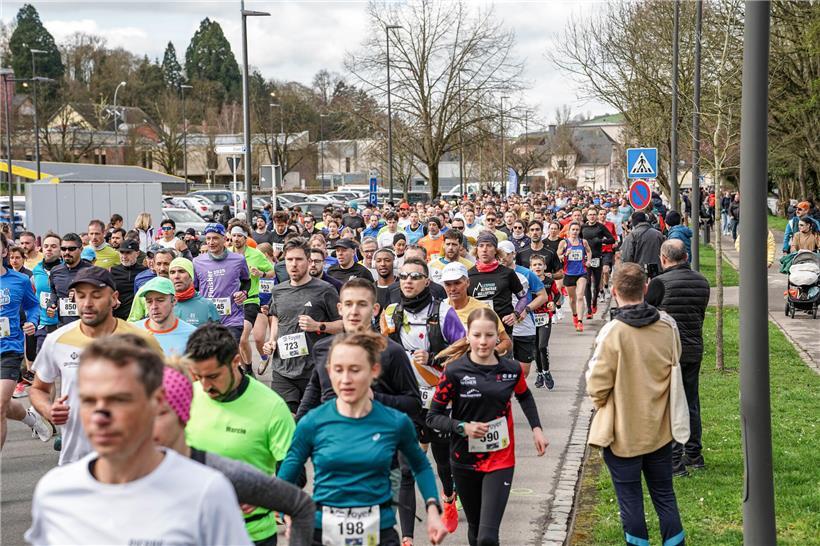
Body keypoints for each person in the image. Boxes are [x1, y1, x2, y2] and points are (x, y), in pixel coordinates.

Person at [26, 334, 252, 546]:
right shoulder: (54, 492)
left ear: (157, 402)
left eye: (119, 399)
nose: (100, 415)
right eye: (88, 400)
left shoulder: (207, 493)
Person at [278, 331, 448, 546]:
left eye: (355, 370)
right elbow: (288, 471)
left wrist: (432, 509)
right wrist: (286, 511)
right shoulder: (313, 423)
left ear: (373, 371)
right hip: (322, 534)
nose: (346, 379)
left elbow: (421, 466)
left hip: (379, 533)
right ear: (329, 372)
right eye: (338, 370)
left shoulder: (395, 422)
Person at [153, 358, 316, 546]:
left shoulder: (222, 473)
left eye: (161, 413)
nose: (149, 423)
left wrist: (262, 498)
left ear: (183, 417)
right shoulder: (126, 468)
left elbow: (300, 505)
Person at [428, 307, 548, 546]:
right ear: (468, 336)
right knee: (475, 530)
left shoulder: (511, 370)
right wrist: (463, 427)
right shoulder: (454, 372)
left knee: (487, 536)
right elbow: (433, 417)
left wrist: (536, 428)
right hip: (464, 459)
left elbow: (524, 396)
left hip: (500, 459)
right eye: (477, 335)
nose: (483, 341)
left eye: (489, 335)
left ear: (498, 337)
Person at [586, 262, 686, 546]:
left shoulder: (613, 332)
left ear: (614, 291)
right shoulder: (667, 326)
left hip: (623, 432)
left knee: (630, 500)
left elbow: (597, 385)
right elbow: (676, 359)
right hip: (659, 427)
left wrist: (603, 402)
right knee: (665, 495)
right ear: (645, 287)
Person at [30, 267, 163, 465]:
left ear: (114, 298)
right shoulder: (57, 340)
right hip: (75, 457)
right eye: (81, 296)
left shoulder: (140, 340)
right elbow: (38, 389)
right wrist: (49, 410)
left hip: (132, 457)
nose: (87, 303)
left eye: (96, 295)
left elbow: (167, 392)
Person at [185, 323, 296, 545]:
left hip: (251, 534)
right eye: (198, 376)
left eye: (213, 376)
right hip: (192, 531)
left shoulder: (271, 407)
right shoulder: (187, 396)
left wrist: (265, 493)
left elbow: (293, 469)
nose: (205, 386)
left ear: (236, 361)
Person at [646, 240, 710, 477]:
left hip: (668, 350)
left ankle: (674, 460)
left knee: (670, 403)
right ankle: (694, 453)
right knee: (691, 401)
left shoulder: (660, 282)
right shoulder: (702, 281)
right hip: (693, 347)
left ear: (664, 258)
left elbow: (648, 310)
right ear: (686, 256)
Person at [263, 239, 343, 413]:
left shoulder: (325, 289)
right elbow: (276, 316)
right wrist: (271, 340)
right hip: (282, 370)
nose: (293, 264)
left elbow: (343, 325)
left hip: (314, 371)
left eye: (298, 259)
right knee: (285, 418)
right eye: (289, 259)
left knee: (310, 420)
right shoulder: (278, 290)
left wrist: (318, 326)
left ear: (308, 260)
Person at [0, 234, 52, 447]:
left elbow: (33, 306)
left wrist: (31, 321)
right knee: (4, 405)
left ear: (4, 251)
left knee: (0, 406)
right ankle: (32, 419)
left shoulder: (19, 280)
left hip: (9, 348)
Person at [228, 223, 275, 375]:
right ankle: (246, 369)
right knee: (235, 342)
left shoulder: (256, 254)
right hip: (231, 302)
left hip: (250, 300)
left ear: (245, 237)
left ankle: (248, 370)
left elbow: (272, 272)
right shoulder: (226, 254)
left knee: (242, 339)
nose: (236, 239)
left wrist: (261, 274)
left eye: (239, 236)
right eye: (233, 236)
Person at [497, 241, 548, 377]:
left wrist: (526, 310)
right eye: (499, 254)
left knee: (523, 372)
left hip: (524, 326)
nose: (502, 257)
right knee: (503, 370)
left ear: (513, 254)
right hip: (502, 328)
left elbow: (543, 296)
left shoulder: (526, 273)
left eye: (506, 254)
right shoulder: (494, 274)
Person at [192, 223, 251, 342]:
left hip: (233, 319)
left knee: (228, 351)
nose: (211, 242)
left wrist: (244, 293)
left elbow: (246, 281)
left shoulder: (238, 259)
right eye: (208, 238)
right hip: (207, 320)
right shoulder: (197, 262)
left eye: (215, 238)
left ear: (224, 239)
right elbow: (195, 289)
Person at [439, 262, 513, 355]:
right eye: (448, 284)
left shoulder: (483, 309)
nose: (452, 289)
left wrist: (492, 353)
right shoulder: (439, 309)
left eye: (457, 283)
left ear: (468, 282)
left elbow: (506, 341)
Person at [467, 232, 527, 337]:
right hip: (478, 331)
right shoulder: (468, 274)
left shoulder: (507, 273)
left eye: (489, 245)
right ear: (476, 250)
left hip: (503, 330)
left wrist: (516, 314)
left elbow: (523, 297)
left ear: (496, 250)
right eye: (481, 246)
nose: (484, 249)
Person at [134, 277, 197, 356]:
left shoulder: (192, 335)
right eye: (149, 301)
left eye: (160, 300)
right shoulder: (132, 330)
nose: (154, 306)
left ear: (174, 301)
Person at [47, 232, 94, 325]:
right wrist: (51, 305)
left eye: (71, 249)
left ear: (81, 249)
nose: (67, 252)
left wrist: (81, 295)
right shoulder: (55, 271)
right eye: (63, 249)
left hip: (87, 326)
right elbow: (53, 292)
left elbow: (100, 297)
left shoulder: (92, 271)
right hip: (63, 326)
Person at [529, 254, 560, 390]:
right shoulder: (527, 281)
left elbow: (557, 294)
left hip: (545, 316)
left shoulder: (549, 281)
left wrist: (553, 303)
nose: (537, 267)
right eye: (534, 265)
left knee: (542, 346)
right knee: (535, 348)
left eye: (540, 264)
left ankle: (546, 372)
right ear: (530, 267)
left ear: (545, 266)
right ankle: (540, 373)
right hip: (531, 317)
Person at [581, 208, 616, 319]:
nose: (592, 216)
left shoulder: (600, 227)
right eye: (590, 214)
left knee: (596, 285)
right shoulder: (583, 227)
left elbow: (612, 239)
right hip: (586, 258)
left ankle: (594, 302)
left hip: (597, 258)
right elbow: (578, 239)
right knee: (587, 283)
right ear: (587, 216)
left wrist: (601, 241)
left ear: (596, 216)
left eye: (594, 214)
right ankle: (589, 310)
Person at [166, 256, 221, 327]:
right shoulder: (164, 304)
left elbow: (218, 333)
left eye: (181, 271)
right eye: (172, 272)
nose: (176, 276)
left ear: (191, 277)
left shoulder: (207, 305)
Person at [557, 222, 592, 332]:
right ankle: (575, 315)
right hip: (569, 273)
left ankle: (580, 321)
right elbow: (558, 256)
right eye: (573, 229)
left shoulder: (583, 242)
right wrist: (565, 254)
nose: (575, 232)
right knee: (572, 299)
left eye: (577, 230)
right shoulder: (564, 242)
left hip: (581, 272)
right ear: (569, 231)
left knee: (580, 296)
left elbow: (589, 251)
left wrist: (589, 261)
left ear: (579, 231)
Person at [110, 238, 148, 320]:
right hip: (118, 317)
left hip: (139, 318)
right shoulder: (112, 271)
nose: (124, 256)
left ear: (137, 254)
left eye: (128, 252)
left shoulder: (145, 272)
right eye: (121, 252)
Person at [620, 211, 665, 276]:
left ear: (633, 222)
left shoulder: (632, 235)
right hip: (658, 271)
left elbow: (626, 257)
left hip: (640, 272)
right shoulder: (658, 234)